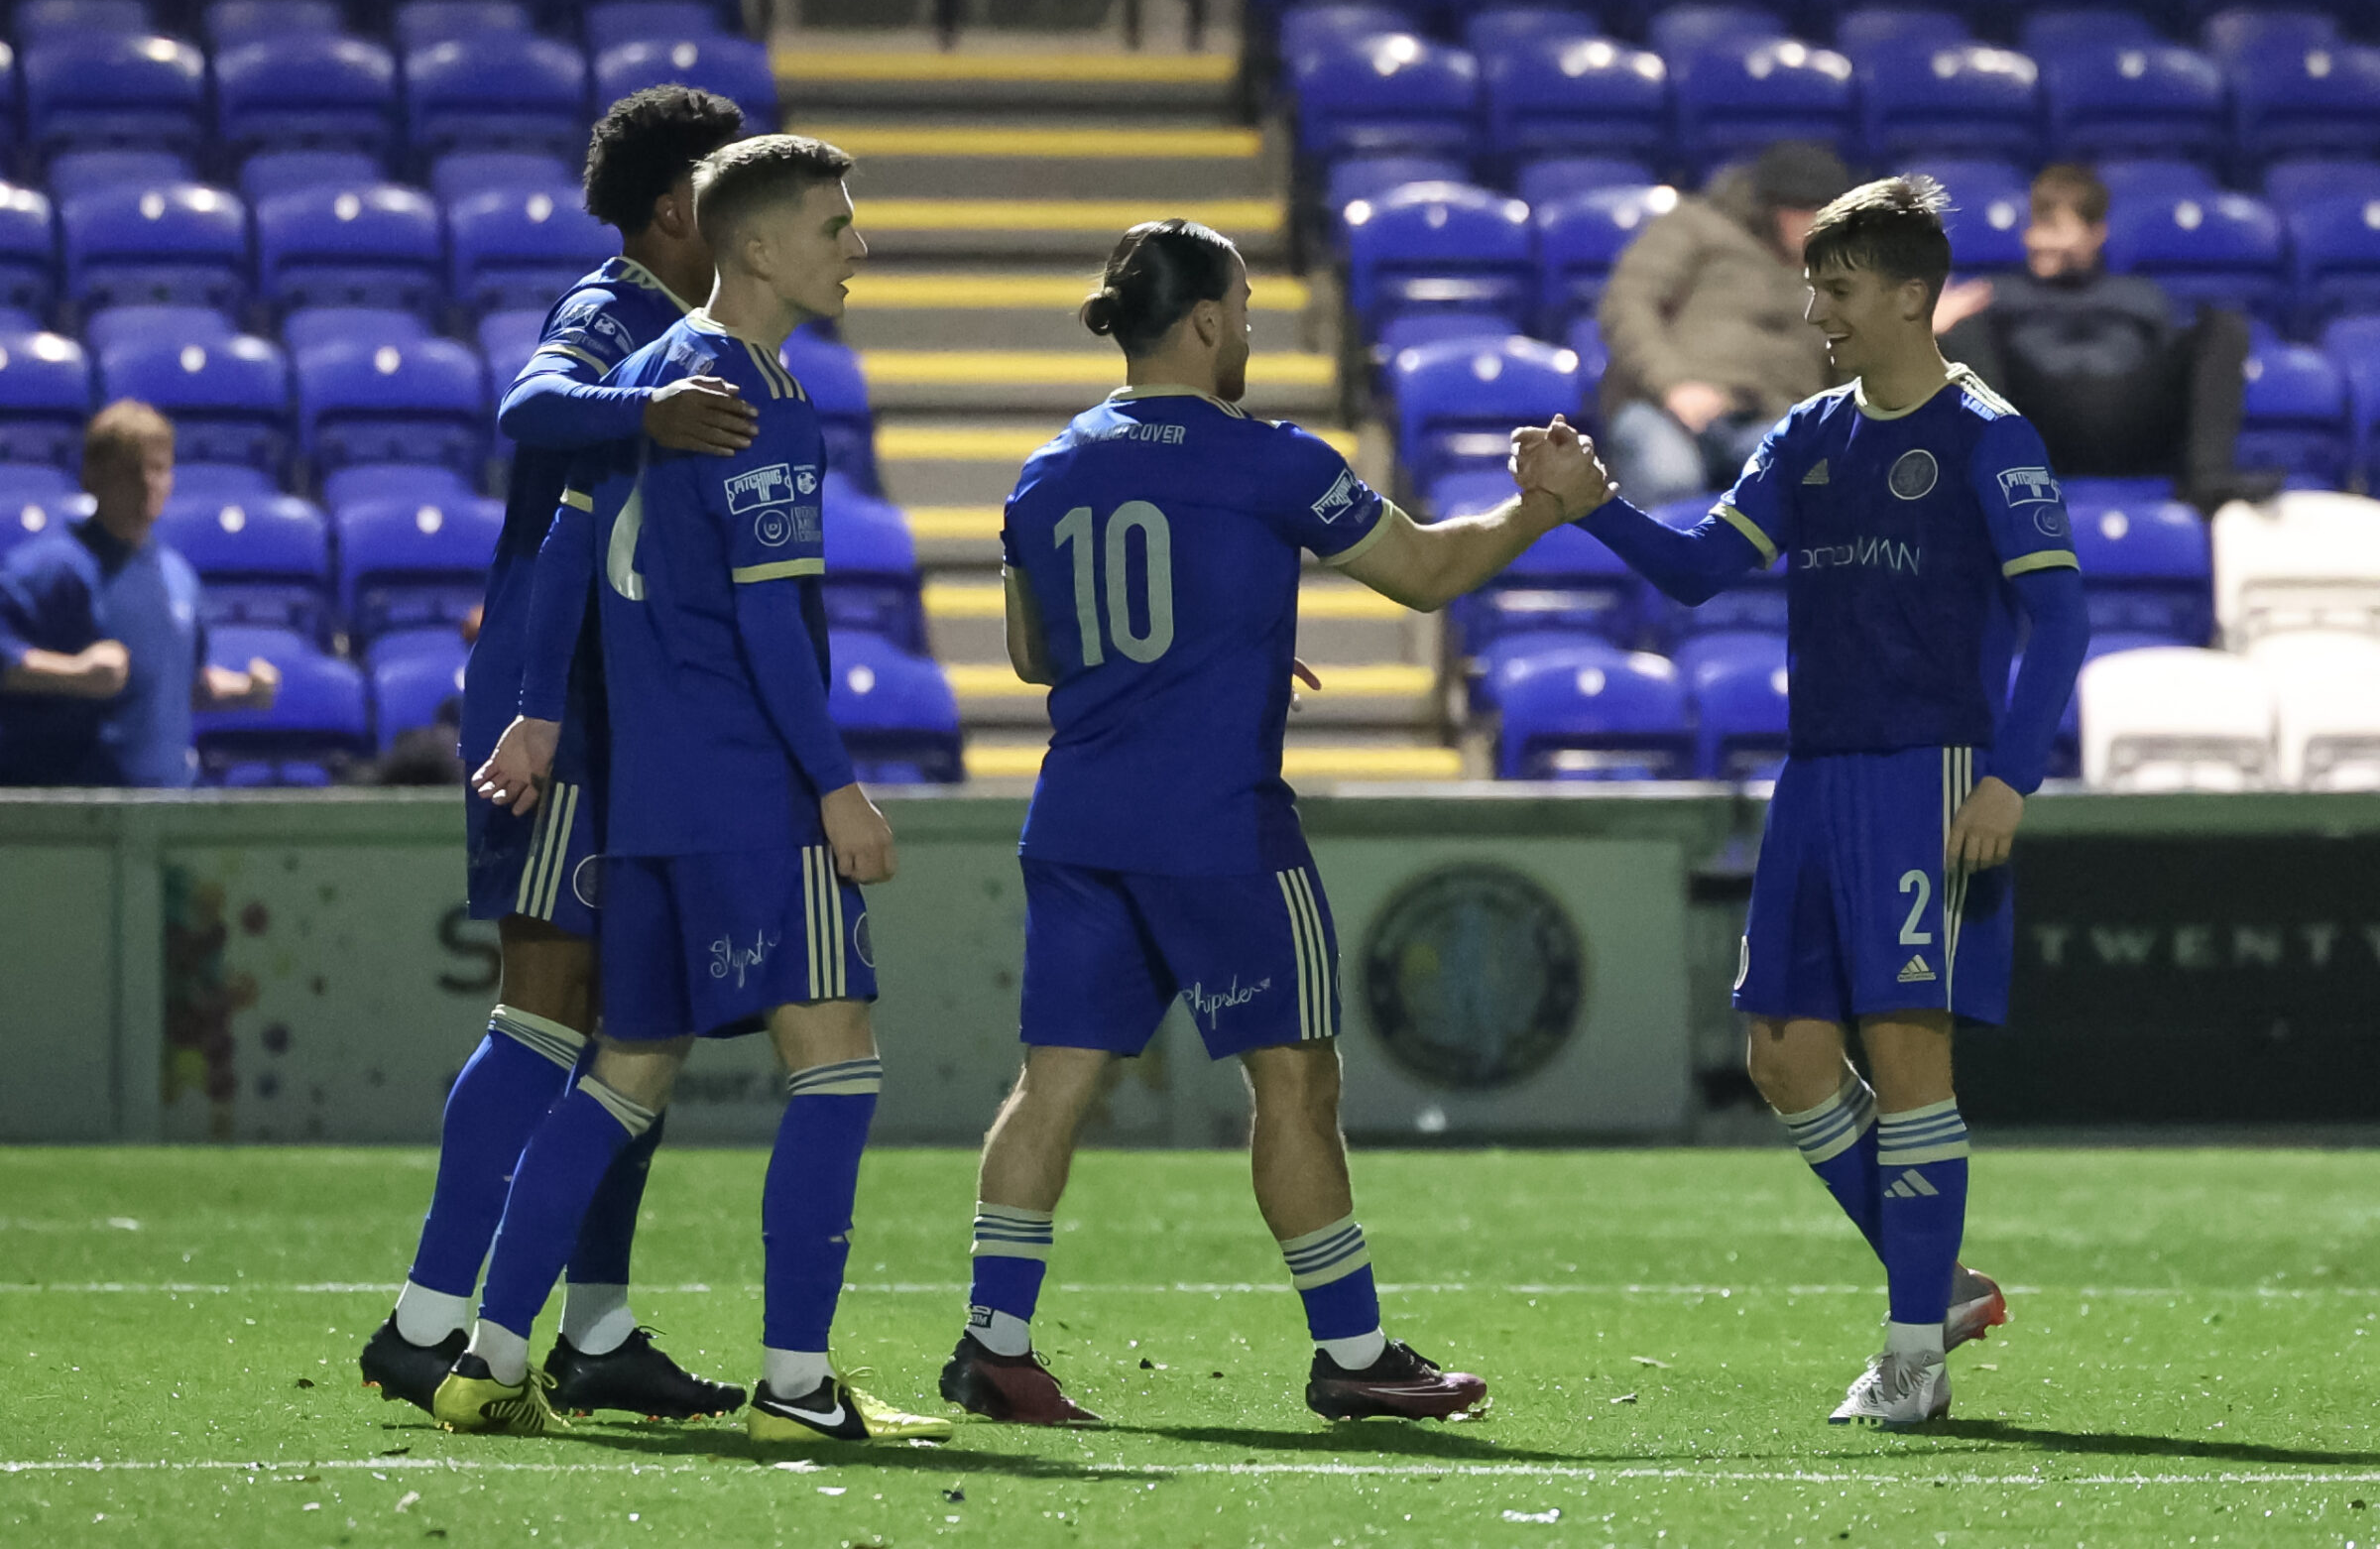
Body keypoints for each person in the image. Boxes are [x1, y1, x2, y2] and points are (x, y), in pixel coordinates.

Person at [935, 218, 1605, 1429]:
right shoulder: (1270, 460)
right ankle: (1353, 1352)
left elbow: (1039, 654)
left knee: (1052, 1085)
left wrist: (1216, 640)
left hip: (1080, 816)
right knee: (1294, 1079)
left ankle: (996, 1342)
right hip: (1218, 825)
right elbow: (1425, 573)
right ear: (1203, 323)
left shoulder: (1045, 470)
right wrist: (1539, 513)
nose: (1248, 327)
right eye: (1241, 306)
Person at [1514, 178, 2090, 1426]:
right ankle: (1934, 1286)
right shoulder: (1809, 434)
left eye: (1835, 289)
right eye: (1813, 285)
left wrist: (2010, 774)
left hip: (1927, 775)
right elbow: (1702, 572)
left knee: (1906, 1054)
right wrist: (1596, 504)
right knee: (1782, 1055)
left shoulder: (1992, 437)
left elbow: (2061, 615)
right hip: (1815, 778)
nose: (1814, 309)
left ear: (1909, 296)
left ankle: (1913, 1363)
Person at [459, 133, 948, 1446]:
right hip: (751, 787)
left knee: (626, 1071)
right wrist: (837, 788)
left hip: (649, 803)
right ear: (759, 246)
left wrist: (541, 715)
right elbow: (771, 629)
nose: (860, 246)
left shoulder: (639, 381)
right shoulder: (752, 394)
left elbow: (563, 550)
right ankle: (796, 1385)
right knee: (835, 1062)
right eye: (838, 224)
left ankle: (488, 1356)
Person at [358, 84, 757, 1422]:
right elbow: (531, 406)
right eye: (728, 188)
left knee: (630, 1027)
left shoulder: (707, 331)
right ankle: (422, 1322)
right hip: (563, 713)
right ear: (671, 208)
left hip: (638, 721)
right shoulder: (609, 312)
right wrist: (643, 412)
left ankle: (597, 1329)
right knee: (542, 1015)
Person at [1935, 162, 2269, 514]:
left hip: (2133, 423)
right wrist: (1936, 326)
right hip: (2039, 425)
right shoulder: (1991, 296)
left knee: (2223, 326)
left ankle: (2208, 480)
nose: (2039, 240)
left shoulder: (2140, 296)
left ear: (2096, 233)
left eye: (2056, 228)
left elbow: (2172, 381)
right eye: (2035, 226)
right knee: (1962, 329)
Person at [0, 401, 276, 785]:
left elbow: (182, 685)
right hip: (74, 820)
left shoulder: (176, 576)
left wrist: (245, 691)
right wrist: (74, 674)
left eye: (159, 468)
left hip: (167, 815)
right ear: (91, 477)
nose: (148, 483)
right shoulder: (48, 570)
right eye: (131, 471)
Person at [1595, 141, 1849, 506]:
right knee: (1670, 479)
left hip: (1769, 418)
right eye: (1806, 212)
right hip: (1664, 405)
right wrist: (1674, 385)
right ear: (1771, 207)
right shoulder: (1698, 226)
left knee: (1822, 481)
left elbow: (1851, 377)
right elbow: (1627, 303)